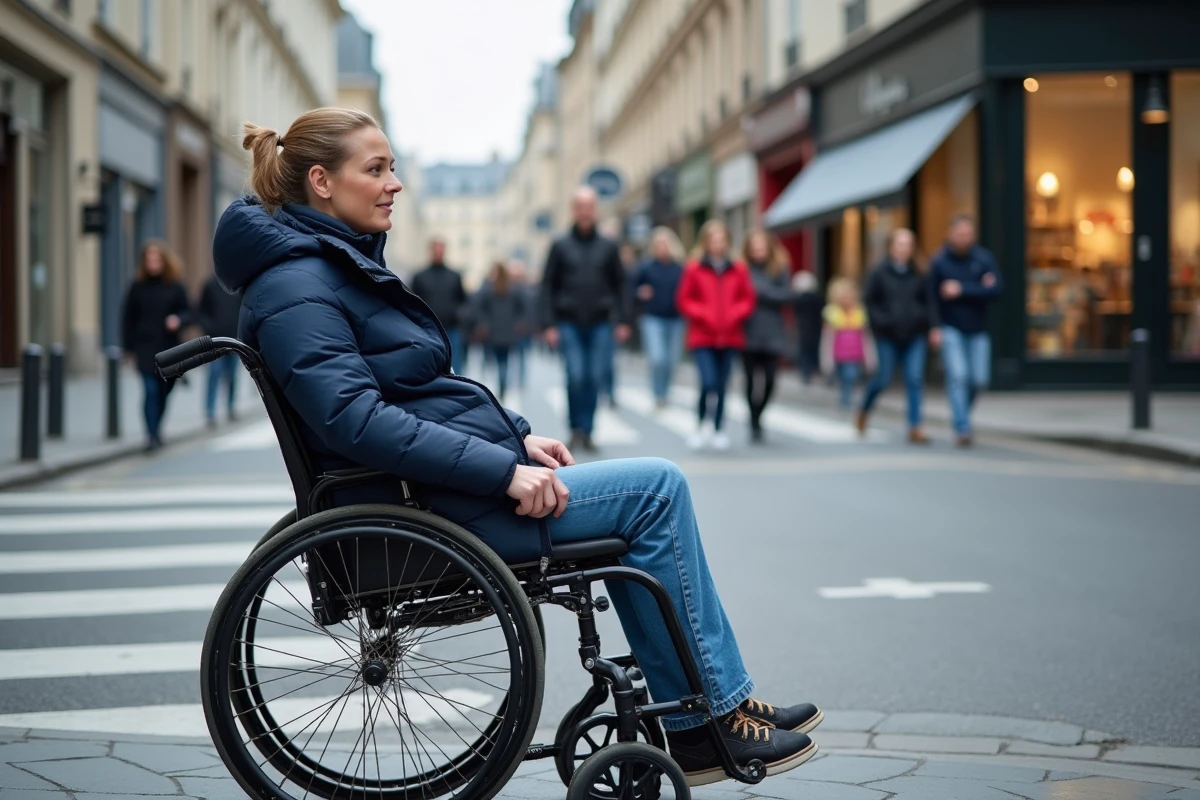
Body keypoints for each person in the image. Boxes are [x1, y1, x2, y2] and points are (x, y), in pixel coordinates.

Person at [213, 108, 820, 787]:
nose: (396, 184)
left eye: (392, 166)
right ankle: (707, 720)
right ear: (321, 181)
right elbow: (358, 421)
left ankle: (714, 704)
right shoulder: (301, 282)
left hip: (432, 496)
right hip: (423, 512)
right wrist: (505, 470)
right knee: (655, 491)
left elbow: (417, 392)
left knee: (649, 496)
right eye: (376, 169)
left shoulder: (320, 267)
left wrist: (517, 435)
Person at [541, 187, 632, 453]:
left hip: (601, 322)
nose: (585, 211)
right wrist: (548, 324)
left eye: (589, 206)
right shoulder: (560, 245)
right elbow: (548, 286)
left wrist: (624, 320)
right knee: (575, 376)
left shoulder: (608, 245)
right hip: (568, 322)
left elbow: (621, 284)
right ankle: (575, 428)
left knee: (593, 377)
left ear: (595, 210)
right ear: (574, 210)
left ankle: (588, 430)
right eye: (580, 206)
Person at [677, 220, 756, 452]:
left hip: (730, 335)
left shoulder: (738, 268)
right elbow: (684, 299)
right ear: (706, 242)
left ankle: (720, 428)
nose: (717, 244)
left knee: (722, 385)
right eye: (713, 240)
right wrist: (703, 313)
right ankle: (702, 426)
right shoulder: (694, 267)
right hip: (703, 336)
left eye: (722, 240)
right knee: (708, 382)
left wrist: (734, 314)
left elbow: (747, 299)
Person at [928, 214, 1003, 447]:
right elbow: (931, 298)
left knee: (978, 380)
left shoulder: (984, 260)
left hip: (978, 329)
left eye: (968, 234)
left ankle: (962, 416)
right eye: (960, 233)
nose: (964, 238)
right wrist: (934, 327)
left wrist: (962, 289)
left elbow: (997, 290)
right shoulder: (939, 262)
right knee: (958, 377)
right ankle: (962, 426)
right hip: (951, 328)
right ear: (951, 234)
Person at [855, 229, 934, 444]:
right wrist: (882, 322)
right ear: (891, 246)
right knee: (883, 378)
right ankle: (865, 408)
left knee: (915, 379)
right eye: (900, 244)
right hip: (887, 335)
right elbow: (869, 302)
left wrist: (931, 325)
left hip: (914, 334)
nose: (904, 249)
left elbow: (929, 302)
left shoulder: (919, 271)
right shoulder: (878, 272)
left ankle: (915, 426)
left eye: (908, 244)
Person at [122, 240, 191, 451]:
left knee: (163, 391)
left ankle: (157, 428)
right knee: (150, 390)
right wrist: (128, 348)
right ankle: (150, 434)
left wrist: (178, 320)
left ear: (164, 261)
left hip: (169, 348)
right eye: (149, 259)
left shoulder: (175, 286)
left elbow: (189, 312)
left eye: (156, 259)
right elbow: (127, 318)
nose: (153, 263)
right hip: (145, 348)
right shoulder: (137, 287)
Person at [741, 230, 792, 443]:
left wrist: (760, 291)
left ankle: (758, 415)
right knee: (751, 380)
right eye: (754, 248)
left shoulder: (779, 268)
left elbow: (787, 295)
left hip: (772, 331)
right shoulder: (742, 269)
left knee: (771, 380)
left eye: (761, 247)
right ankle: (753, 421)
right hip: (747, 331)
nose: (758, 252)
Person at [632, 227, 686, 409]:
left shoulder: (680, 268)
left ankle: (665, 392)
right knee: (657, 358)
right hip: (652, 318)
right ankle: (658, 394)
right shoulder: (646, 267)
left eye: (665, 244)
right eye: (658, 244)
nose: (662, 247)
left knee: (671, 360)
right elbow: (631, 288)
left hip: (676, 319)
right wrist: (640, 293)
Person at [411, 237, 469, 376]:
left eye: (441, 250)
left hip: (452, 328)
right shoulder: (420, 277)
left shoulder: (454, 276)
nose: (438, 253)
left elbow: (463, 300)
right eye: (436, 250)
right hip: (427, 330)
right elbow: (412, 302)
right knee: (429, 366)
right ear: (430, 251)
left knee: (455, 366)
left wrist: (459, 315)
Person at [474, 261, 527, 401]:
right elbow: (522, 309)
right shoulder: (513, 290)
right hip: (506, 332)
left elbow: (479, 308)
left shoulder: (489, 290)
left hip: (495, 332)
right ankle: (502, 387)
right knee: (504, 362)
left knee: (499, 362)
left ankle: (500, 386)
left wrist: (484, 324)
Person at [197, 273, 243, 427]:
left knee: (232, 376)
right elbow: (201, 311)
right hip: (215, 341)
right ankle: (210, 412)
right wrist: (209, 329)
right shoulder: (210, 285)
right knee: (214, 375)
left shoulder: (238, 285)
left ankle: (230, 407)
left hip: (234, 340)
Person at [822, 277, 867, 410]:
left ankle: (846, 396)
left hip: (855, 352)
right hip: (840, 353)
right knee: (845, 376)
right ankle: (845, 397)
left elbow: (865, 336)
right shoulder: (833, 313)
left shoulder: (859, 312)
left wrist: (867, 356)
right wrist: (827, 357)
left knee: (851, 375)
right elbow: (827, 338)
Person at [791, 270, 823, 386]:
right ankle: (813, 370)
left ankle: (806, 373)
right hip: (816, 328)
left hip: (804, 329)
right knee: (813, 350)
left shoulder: (799, 299)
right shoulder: (818, 298)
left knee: (804, 351)